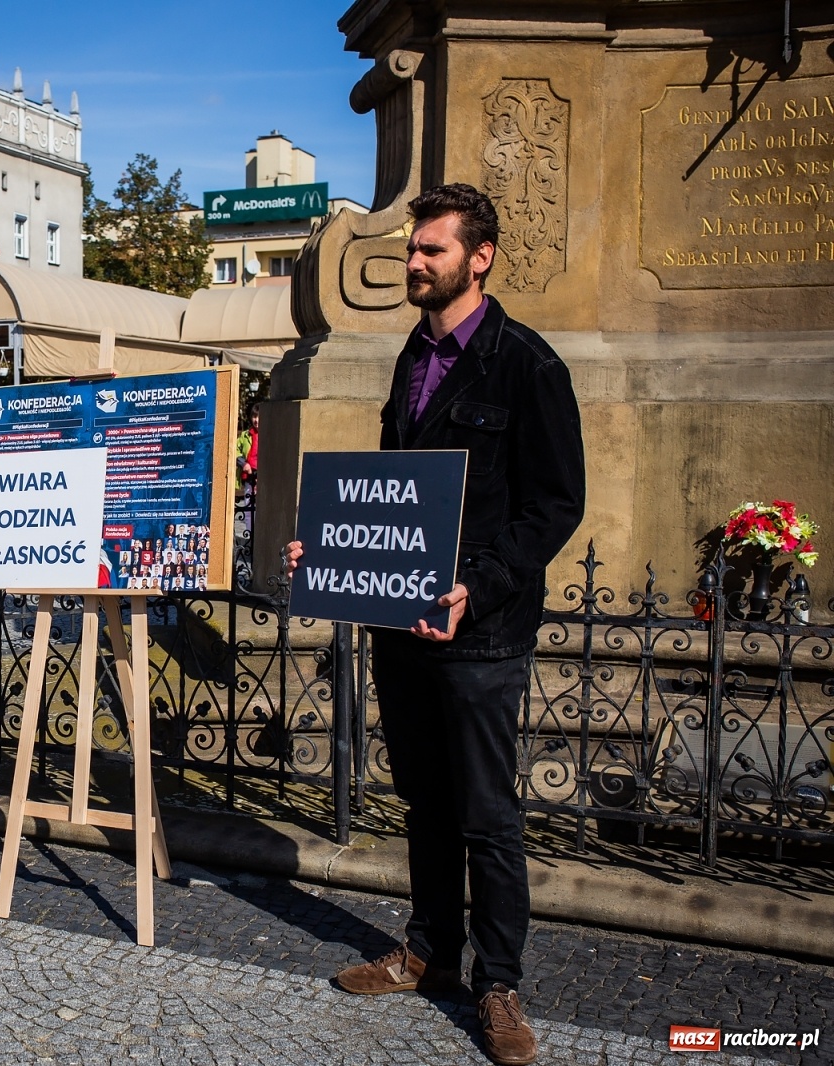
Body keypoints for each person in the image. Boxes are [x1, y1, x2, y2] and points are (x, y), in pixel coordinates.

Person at [285, 184, 584, 1066]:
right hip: (400, 623)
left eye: (431, 251)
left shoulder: (528, 364)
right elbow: (396, 494)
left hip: (479, 631)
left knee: (487, 815)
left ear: (479, 256)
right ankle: (429, 952)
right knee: (423, 801)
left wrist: (478, 587)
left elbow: (554, 506)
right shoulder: (412, 357)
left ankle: (499, 984)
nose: (413, 262)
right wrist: (335, 547)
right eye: (413, 250)